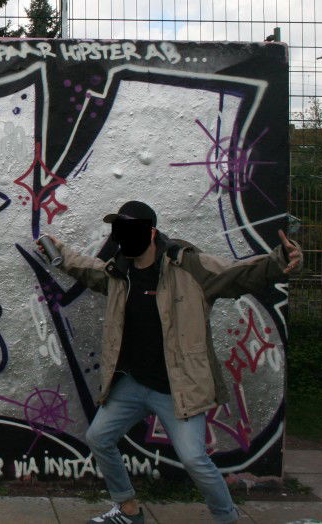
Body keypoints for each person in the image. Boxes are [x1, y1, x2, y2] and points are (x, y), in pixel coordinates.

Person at [38, 200, 302, 524]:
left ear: (151, 232)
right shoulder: (120, 272)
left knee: (194, 459)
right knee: (98, 438)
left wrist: (281, 260)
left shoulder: (190, 268)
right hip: (133, 384)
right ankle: (128, 509)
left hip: (177, 389)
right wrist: (59, 252)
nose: (123, 238)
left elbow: (239, 273)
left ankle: (227, 518)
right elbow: (90, 271)